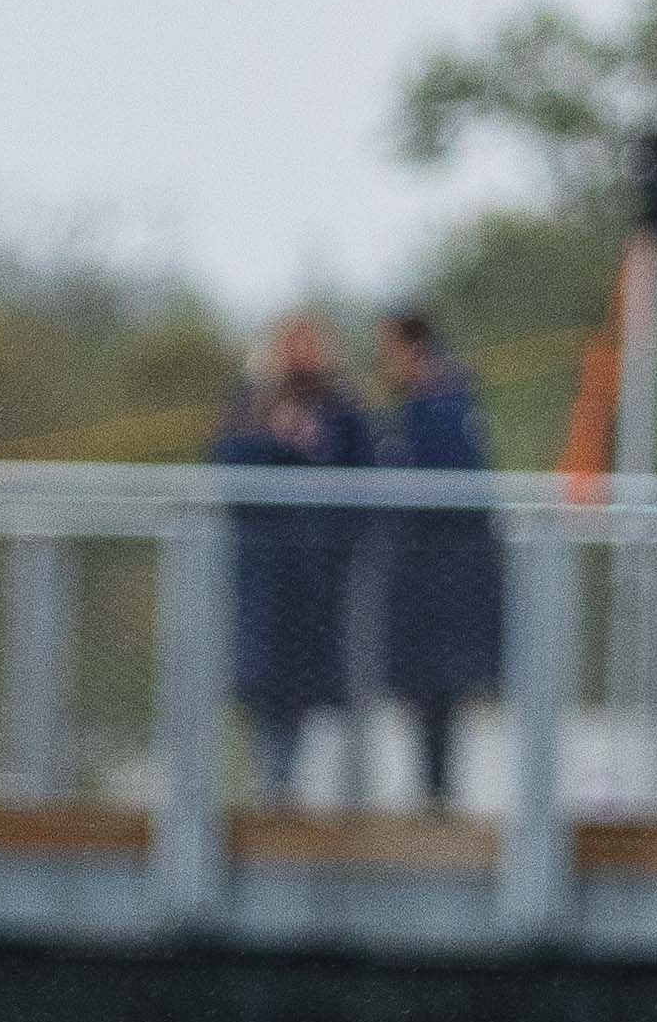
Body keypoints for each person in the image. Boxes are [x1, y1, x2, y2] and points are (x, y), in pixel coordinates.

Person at [211, 319, 371, 802]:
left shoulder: (342, 408)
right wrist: (277, 438)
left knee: (312, 692)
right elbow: (225, 465)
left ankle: (309, 794)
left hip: (320, 578)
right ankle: (273, 792)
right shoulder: (250, 407)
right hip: (264, 576)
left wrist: (316, 443)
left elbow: (366, 468)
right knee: (265, 692)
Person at [366, 311, 503, 812]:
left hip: (443, 580)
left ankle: (437, 794)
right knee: (425, 693)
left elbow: (447, 485)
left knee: (440, 689)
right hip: (424, 578)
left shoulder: (442, 403)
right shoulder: (424, 404)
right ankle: (432, 791)